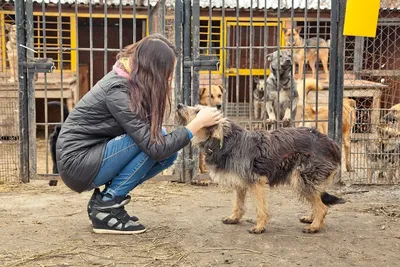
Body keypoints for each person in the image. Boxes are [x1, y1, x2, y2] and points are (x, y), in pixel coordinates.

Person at [56, 34, 222, 234]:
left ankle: (107, 200)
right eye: (167, 71)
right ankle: (107, 206)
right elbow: (154, 146)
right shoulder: (118, 90)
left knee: (166, 149)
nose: (169, 77)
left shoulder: (131, 83)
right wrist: (196, 124)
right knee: (155, 142)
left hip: (91, 156)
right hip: (77, 164)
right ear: (152, 67)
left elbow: (158, 147)